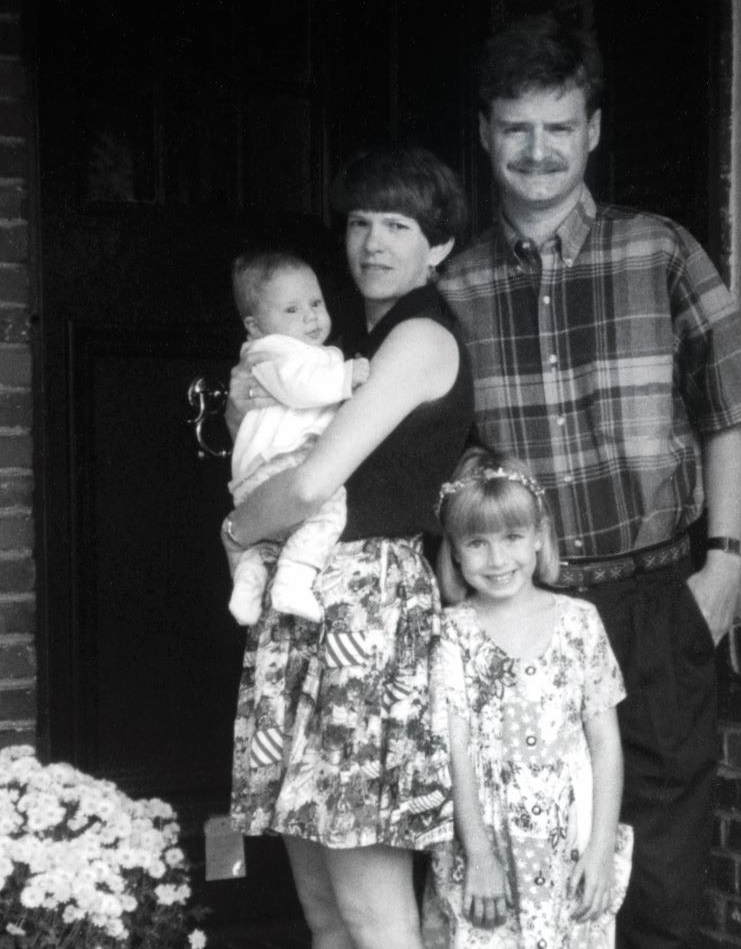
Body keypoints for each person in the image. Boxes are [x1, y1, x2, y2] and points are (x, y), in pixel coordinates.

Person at [437, 14, 741, 949]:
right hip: (526, 611)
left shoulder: (660, 249)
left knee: (663, 868)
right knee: (526, 861)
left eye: (559, 126)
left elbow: (731, 407)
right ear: (485, 133)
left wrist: (724, 563)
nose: (537, 150)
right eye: (516, 127)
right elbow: (431, 455)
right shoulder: (453, 290)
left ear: (592, 130)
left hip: (656, 593)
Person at [221, 144, 473, 949]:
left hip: (364, 612)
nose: (373, 241)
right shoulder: (329, 351)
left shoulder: (419, 337)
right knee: (326, 913)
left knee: (374, 917)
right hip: (309, 607)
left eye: (398, 224)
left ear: (438, 247)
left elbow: (306, 487)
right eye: (362, 221)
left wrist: (234, 529)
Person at [422, 447, 632, 949]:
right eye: (477, 542)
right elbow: (456, 750)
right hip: (487, 848)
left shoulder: (579, 623)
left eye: (513, 537)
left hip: (569, 845)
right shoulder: (452, 633)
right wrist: (478, 856)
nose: (497, 559)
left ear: (540, 537)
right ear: (453, 551)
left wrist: (600, 848)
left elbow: (605, 745)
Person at [224, 250, 369, 627]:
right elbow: (298, 386)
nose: (310, 316)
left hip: (260, 478)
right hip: (283, 465)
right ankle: (295, 578)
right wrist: (347, 377)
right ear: (254, 327)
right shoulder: (275, 352)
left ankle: (247, 583)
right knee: (329, 507)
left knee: (268, 541)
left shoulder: (298, 350)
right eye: (291, 310)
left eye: (316, 303)